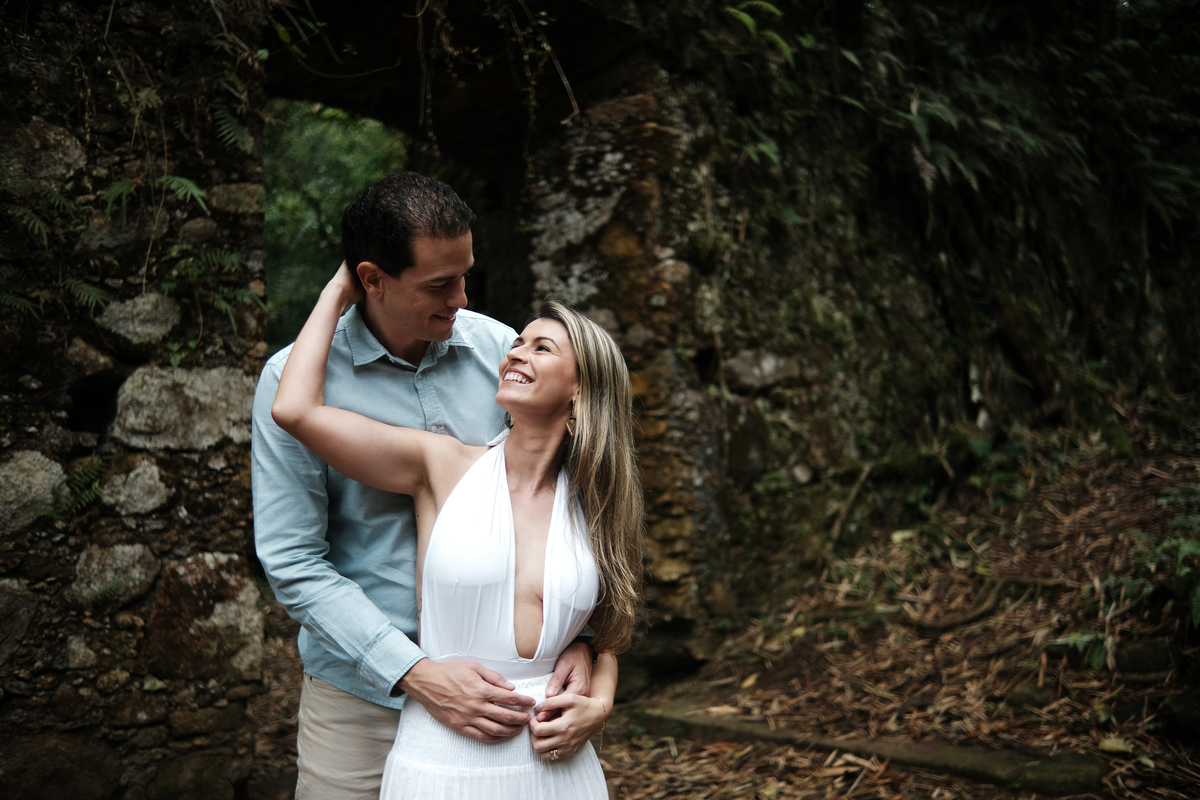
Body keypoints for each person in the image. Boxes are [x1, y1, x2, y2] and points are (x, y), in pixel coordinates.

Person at [251, 172, 596, 799]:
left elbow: (565, 518)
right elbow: (293, 560)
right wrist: (412, 671)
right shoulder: (293, 379)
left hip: (502, 700)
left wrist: (586, 646)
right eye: (439, 284)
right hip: (360, 696)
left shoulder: (503, 353)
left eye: (464, 275)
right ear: (371, 279)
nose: (461, 298)